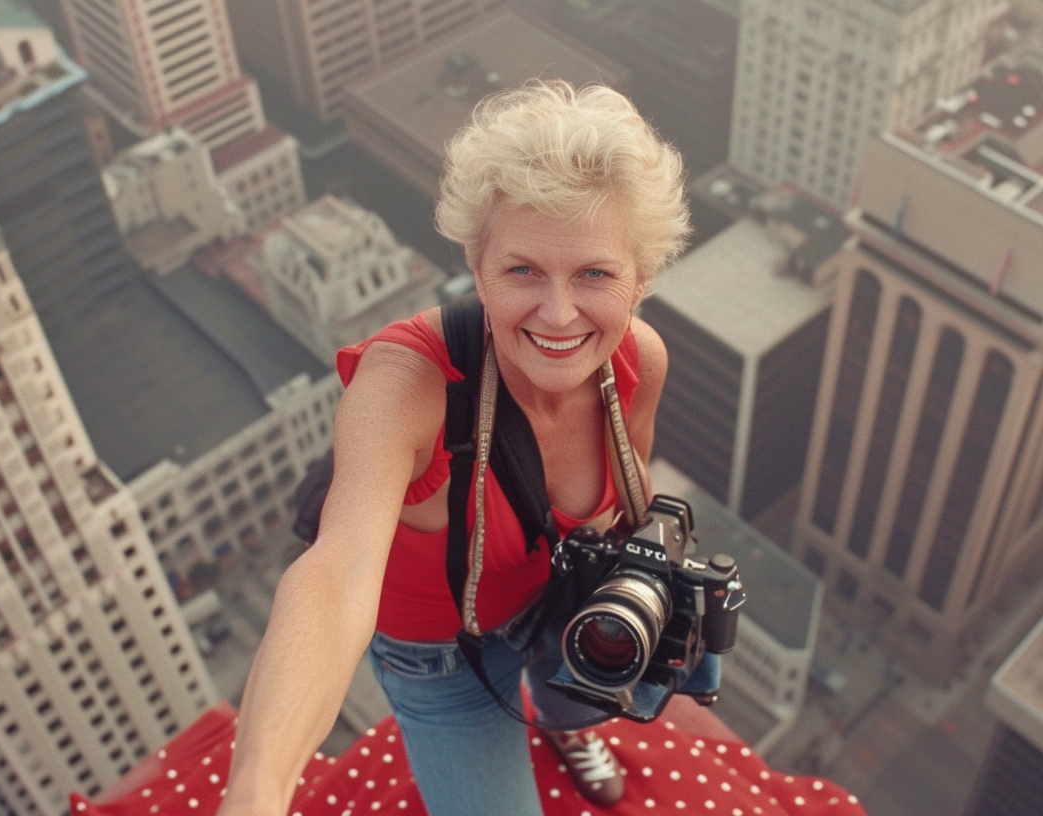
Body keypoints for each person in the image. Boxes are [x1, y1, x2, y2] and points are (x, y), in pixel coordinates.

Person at [218, 79, 690, 816]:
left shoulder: (640, 362)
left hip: (562, 603)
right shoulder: (406, 384)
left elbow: (629, 497)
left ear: (641, 280)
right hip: (440, 658)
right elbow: (335, 576)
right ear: (477, 267)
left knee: (579, 702)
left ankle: (567, 727)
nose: (558, 314)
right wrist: (258, 791)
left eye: (595, 273)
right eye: (523, 270)